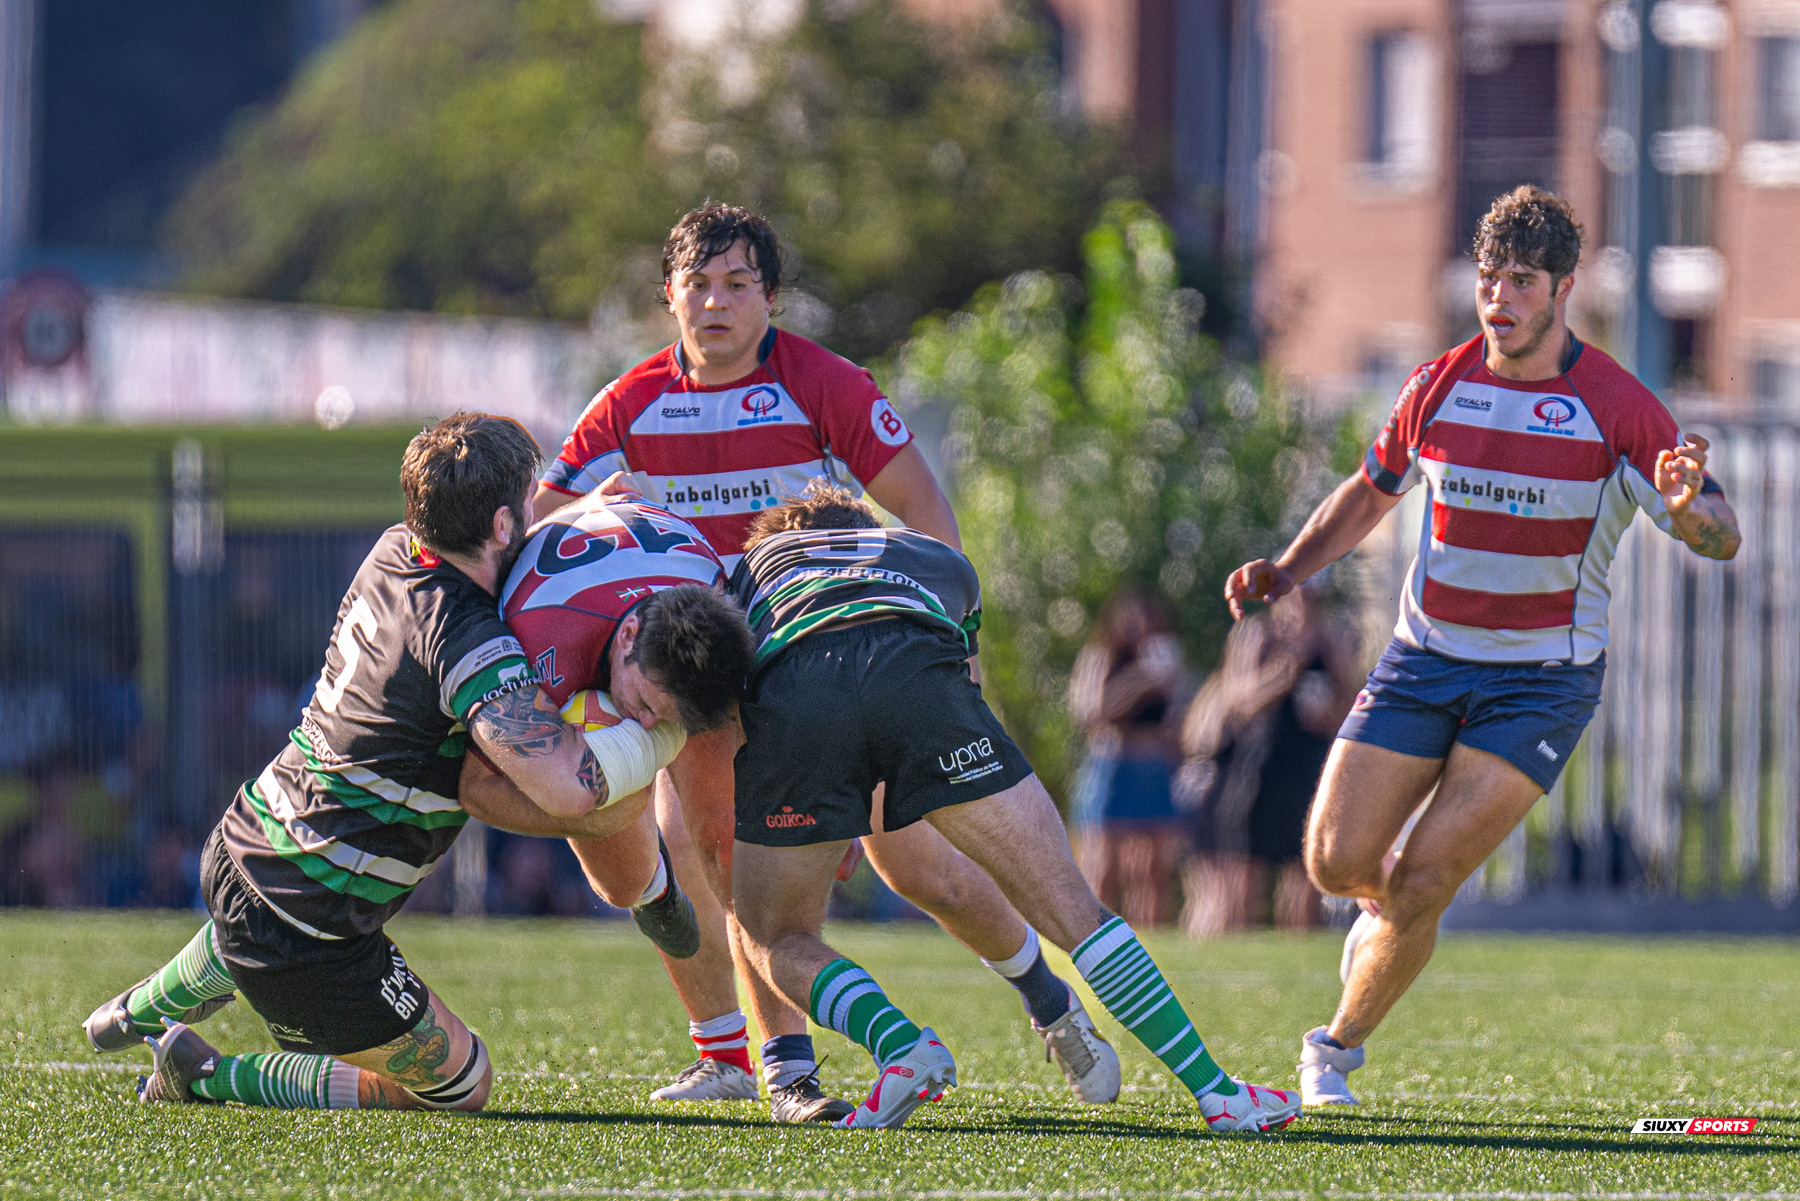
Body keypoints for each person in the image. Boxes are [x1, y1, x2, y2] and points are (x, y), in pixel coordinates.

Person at [532, 203, 1115, 1110]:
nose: (716, 303)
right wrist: (592, 520)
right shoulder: (627, 404)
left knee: (923, 869)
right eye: (698, 285)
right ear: (669, 295)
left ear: (770, 295)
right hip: (707, 680)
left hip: (826, 665)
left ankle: (1049, 999)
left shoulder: (824, 384)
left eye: (738, 284)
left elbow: (925, 510)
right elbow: (542, 526)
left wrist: (949, 644)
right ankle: (774, 1068)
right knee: (711, 853)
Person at [1222, 187, 1741, 1107]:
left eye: (1523, 280)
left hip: (1542, 682)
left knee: (1426, 878)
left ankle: (1332, 1051)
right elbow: (1371, 488)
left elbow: (1722, 534)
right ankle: (1386, 916)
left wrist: (1686, 509)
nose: (1500, 298)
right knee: (1334, 863)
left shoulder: (1618, 407)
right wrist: (1290, 568)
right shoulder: (1437, 384)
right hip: (1424, 659)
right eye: (1490, 277)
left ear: (1565, 289)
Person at [79, 413, 709, 1111]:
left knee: (253, 923)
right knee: (462, 1083)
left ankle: (141, 1007)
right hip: (312, 926)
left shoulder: (394, 548)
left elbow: (506, 549)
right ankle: (203, 1077)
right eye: (527, 502)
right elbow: (567, 789)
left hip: (246, 842)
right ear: (502, 524)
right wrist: (663, 735)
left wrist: (585, 509)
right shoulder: (471, 645)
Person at [724, 484, 1302, 1131]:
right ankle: (1218, 1093)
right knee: (1076, 908)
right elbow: (962, 680)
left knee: (774, 936)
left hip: (802, 693)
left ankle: (903, 1044)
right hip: (922, 684)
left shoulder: (751, 568)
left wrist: (820, 814)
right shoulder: (935, 557)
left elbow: (738, 705)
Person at [1178, 587, 1358, 934]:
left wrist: (1329, 705)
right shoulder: (1259, 634)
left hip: (1311, 766)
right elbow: (1238, 705)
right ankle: (1238, 949)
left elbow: (1352, 710)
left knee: (1305, 866)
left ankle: (1297, 951)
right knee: (1246, 868)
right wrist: (1282, 676)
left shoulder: (1331, 641)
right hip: (1259, 767)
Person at [1067, 592, 1187, 928]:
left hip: (1156, 766)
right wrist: (1140, 680)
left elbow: (1179, 718)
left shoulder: (1168, 657)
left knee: (1154, 868)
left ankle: (1151, 935)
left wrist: (1172, 688)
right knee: (1105, 866)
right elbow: (1091, 713)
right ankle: (1096, 934)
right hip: (1115, 765)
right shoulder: (1102, 657)